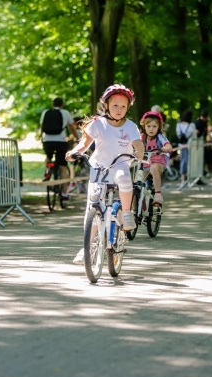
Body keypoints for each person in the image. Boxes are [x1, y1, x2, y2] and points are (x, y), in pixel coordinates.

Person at [66, 84, 144, 264]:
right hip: (99, 166)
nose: (119, 109)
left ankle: (126, 214)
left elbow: (138, 144)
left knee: (124, 178)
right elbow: (84, 144)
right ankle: (88, 246)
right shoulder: (97, 124)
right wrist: (74, 152)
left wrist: (140, 151)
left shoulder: (130, 126)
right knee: (93, 204)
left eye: (123, 106)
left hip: (121, 165)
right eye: (115, 105)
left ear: (128, 108)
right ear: (107, 105)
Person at [39, 97, 79, 200]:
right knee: (62, 166)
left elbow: (42, 127)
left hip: (47, 141)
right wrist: (77, 138)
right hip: (60, 142)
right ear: (62, 104)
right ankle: (65, 193)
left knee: (48, 156)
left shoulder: (45, 112)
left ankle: (47, 171)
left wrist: (41, 139)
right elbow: (72, 128)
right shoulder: (65, 113)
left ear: (53, 104)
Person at [140, 111, 172, 204]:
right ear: (144, 126)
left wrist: (164, 148)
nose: (151, 129)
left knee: (154, 168)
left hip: (158, 162)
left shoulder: (160, 137)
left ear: (159, 127)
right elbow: (132, 145)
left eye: (154, 126)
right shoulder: (141, 137)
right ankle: (134, 209)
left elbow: (168, 145)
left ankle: (158, 194)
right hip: (145, 164)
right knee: (136, 183)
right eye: (148, 126)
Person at [176, 109, 196, 184]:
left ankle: (182, 177)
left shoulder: (179, 125)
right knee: (189, 161)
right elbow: (194, 136)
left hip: (181, 145)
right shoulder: (191, 125)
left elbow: (178, 135)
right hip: (189, 145)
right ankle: (189, 176)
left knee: (183, 160)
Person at [194, 108, 211, 178]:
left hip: (203, 142)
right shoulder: (199, 123)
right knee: (201, 157)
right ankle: (203, 171)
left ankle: (205, 170)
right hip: (199, 142)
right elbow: (196, 133)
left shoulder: (204, 123)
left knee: (205, 156)